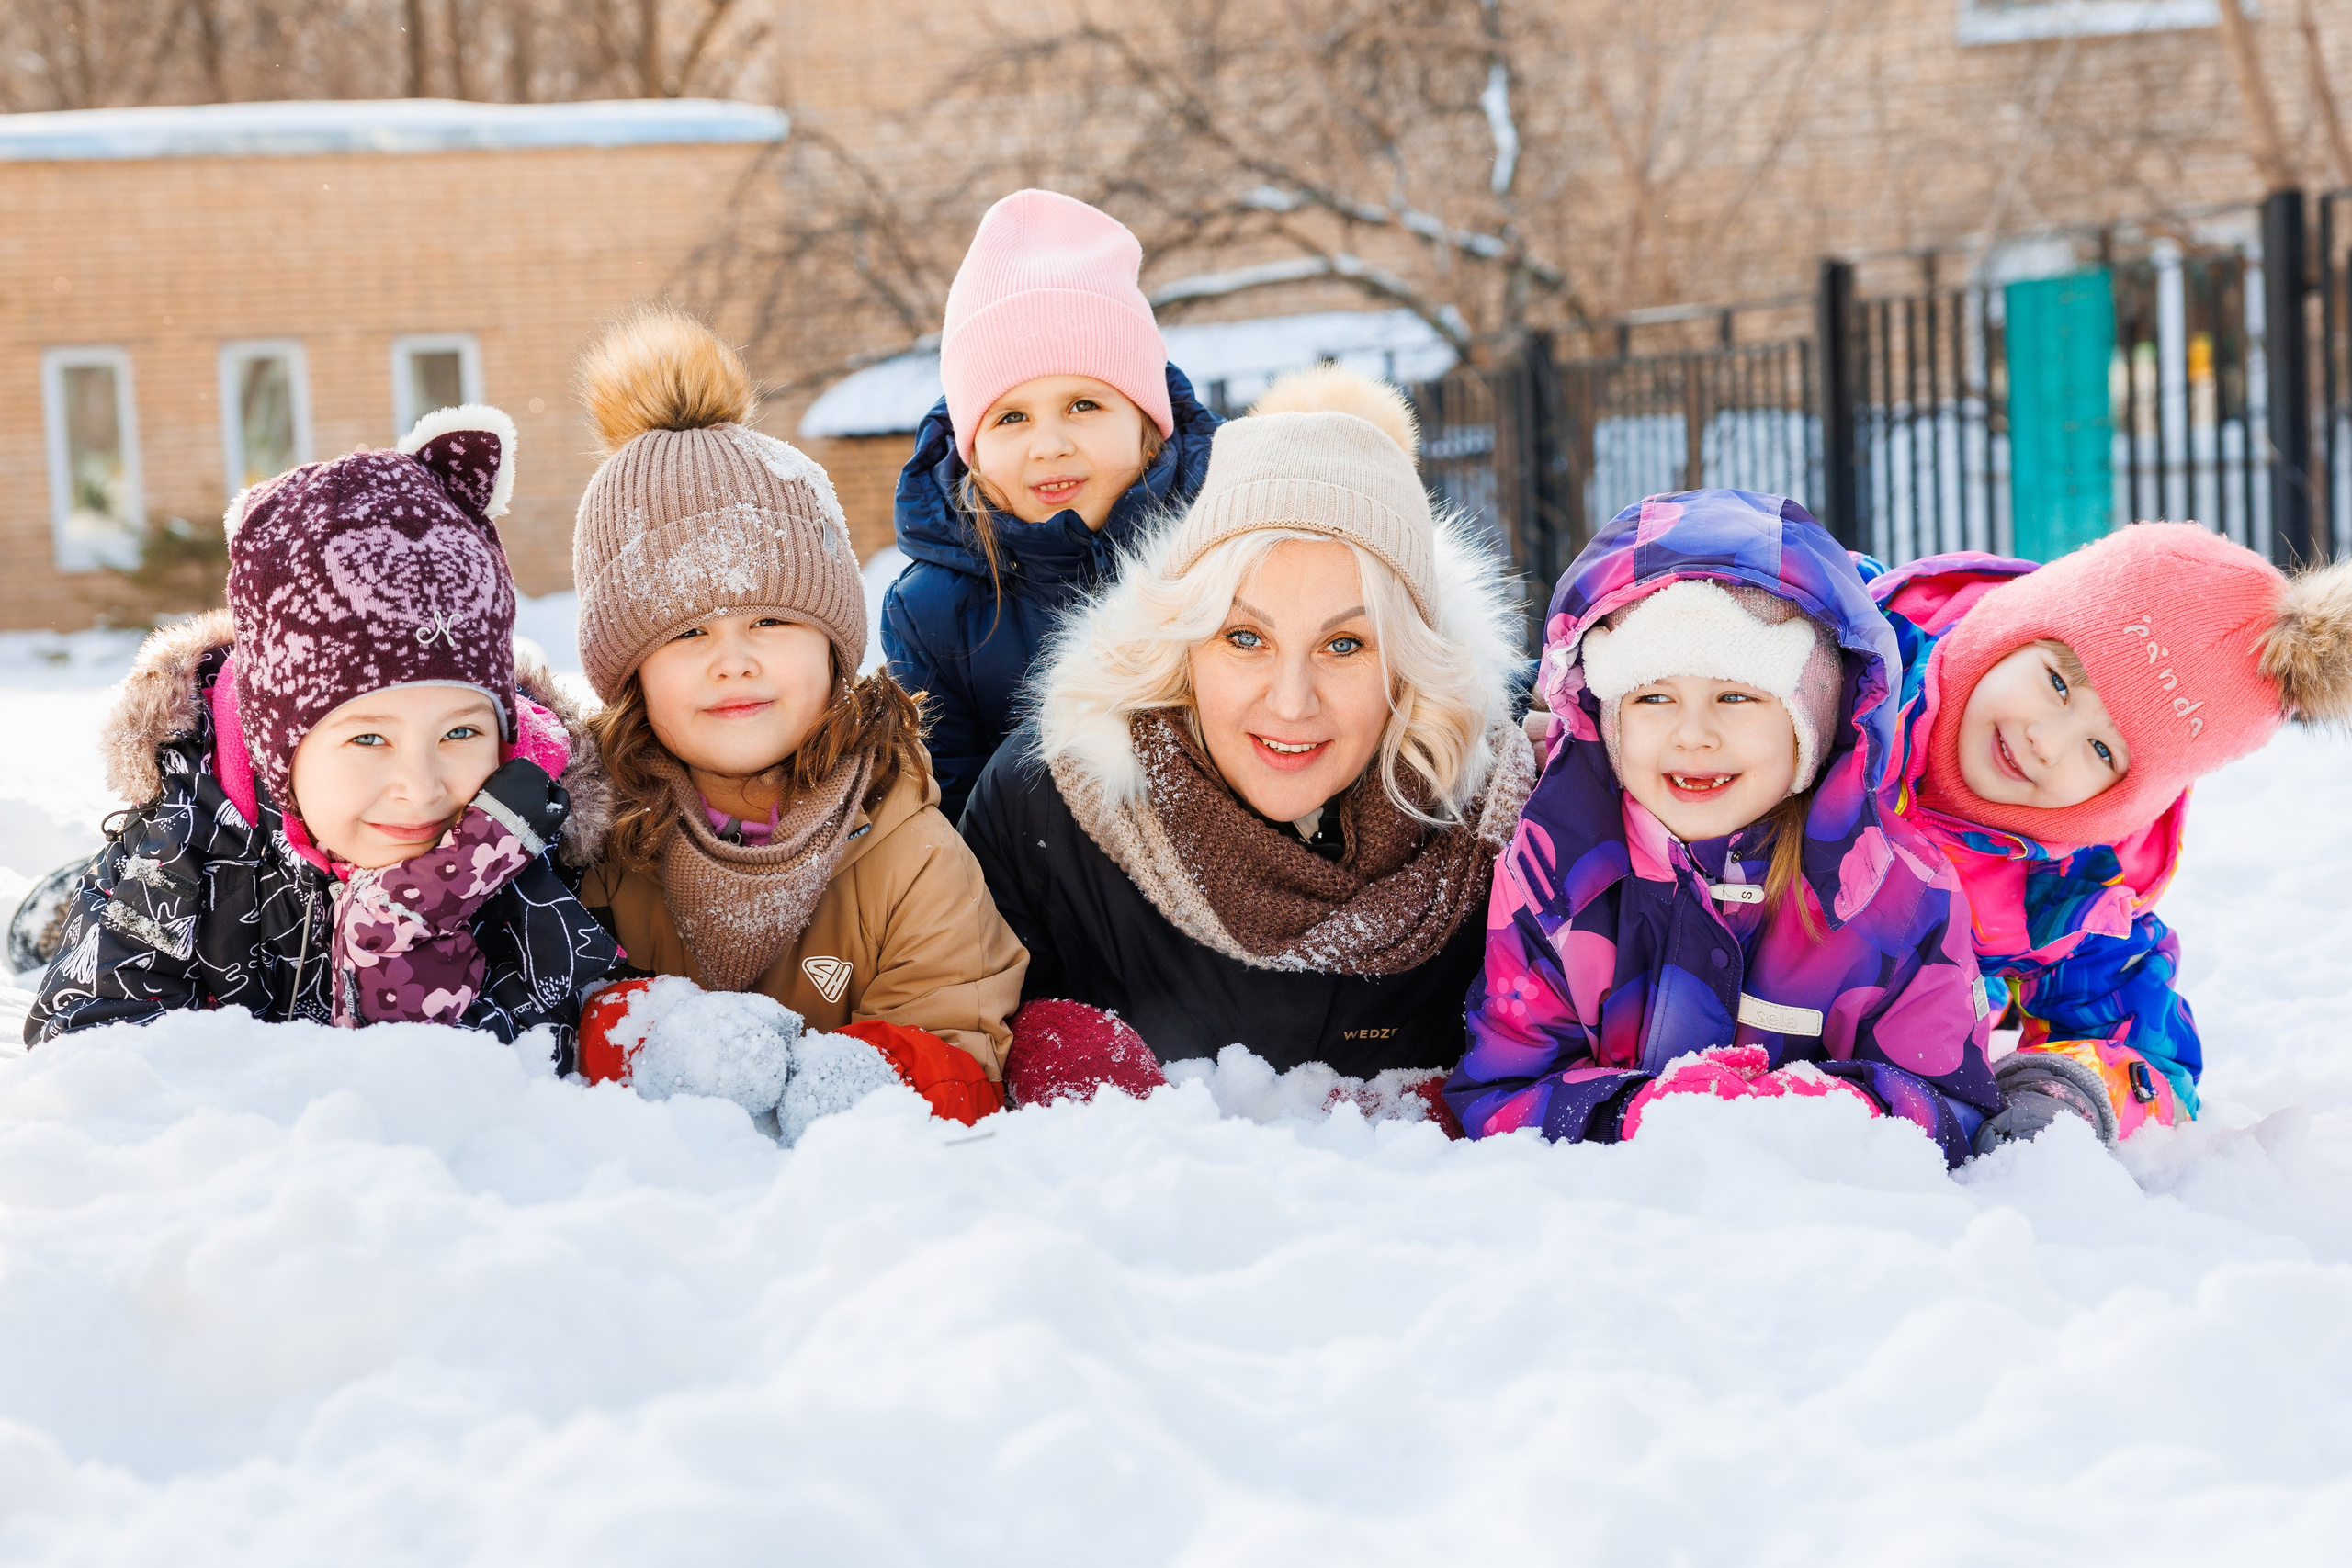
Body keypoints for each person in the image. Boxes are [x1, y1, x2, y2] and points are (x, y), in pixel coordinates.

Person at [960, 366, 1535, 1110]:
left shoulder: (1506, 834)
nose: (1290, 701)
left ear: (1408, 670)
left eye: (1345, 646)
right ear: (1184, 643)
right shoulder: (1045, 810)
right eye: (1244, 637)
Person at [27, 408, 619, 1055]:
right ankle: (61, 904)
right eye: (369, 739)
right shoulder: (188, 837)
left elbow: (535, 1062)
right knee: (76, 919)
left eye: (458, 735)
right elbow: (87, 1042)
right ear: (278, 745)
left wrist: (410, 923)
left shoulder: (522, 835)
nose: (420, 789)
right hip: (160, 912)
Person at [1447, 489, 2000, 1167]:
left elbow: (1959, 1105)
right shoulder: (1555, 877)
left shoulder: (1895, 894)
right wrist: (1635, 1112)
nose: (1694, 734)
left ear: (1816, 717)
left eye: (1736, 696)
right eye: (1653, 696)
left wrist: (1837, 1112)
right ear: (1607, 714)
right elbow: (1499, 1094)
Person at [567, 307, 1026, 1122]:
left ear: (832, 646)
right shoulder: (594, 840)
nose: (732, 660)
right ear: (629, 671)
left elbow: (960, 1041)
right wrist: (632, 1036)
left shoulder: (904, 845)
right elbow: (540, 1015)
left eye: (771, 621)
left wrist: (860, 1080)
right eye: (686, 632)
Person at [1871, 524, 2352, 1153]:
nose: (2048, 739)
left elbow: (2144, 1052)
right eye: (2059, 682)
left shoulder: (2066, 894)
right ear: (2013, 628)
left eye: (2101, 749)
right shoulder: (1839, 671)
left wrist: (2063, 1092)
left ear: (2127, 796)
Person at [884, 188, 1222, 823]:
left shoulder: (1227, 541)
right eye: (1011, 416)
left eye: (1083, 405)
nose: (1050, 445)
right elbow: (949, 828)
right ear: (973, 450)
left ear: (1148, 421)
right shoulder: (935, 613)